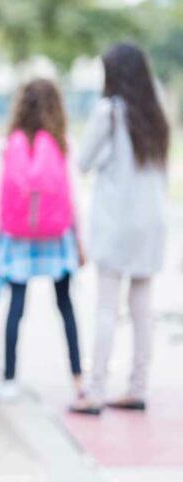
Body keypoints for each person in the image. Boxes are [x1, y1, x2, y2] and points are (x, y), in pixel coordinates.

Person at [70, 43, 170, 415]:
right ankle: (137, 386)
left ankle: (95, 390)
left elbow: (82, 162)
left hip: (116, 222)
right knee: (142, 307)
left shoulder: (108, 112)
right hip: (153, 222)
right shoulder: (157, 108)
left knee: (106, 308)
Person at [0, 79, 85, 406]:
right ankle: (78, 377)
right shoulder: (63, 143)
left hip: (16, 237)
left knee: (16, 307)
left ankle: (9, 378)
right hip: (58, 235)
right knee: (66, 306)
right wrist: (80, 241)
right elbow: (74, 196)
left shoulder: (7, 144)